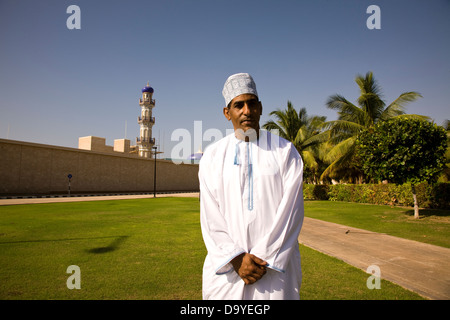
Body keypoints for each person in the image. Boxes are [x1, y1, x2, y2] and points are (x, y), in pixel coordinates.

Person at [199, 73, 304, 300]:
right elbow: (210, 218)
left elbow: (291, 213)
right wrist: (236, 258)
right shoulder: (212, 157)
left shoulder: (285, 152)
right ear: (227, 113)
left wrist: (262, 258)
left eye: (252, 103)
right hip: (227, 274)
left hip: (274, 273)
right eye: (239, 105)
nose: (246, 110)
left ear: (260, 108)